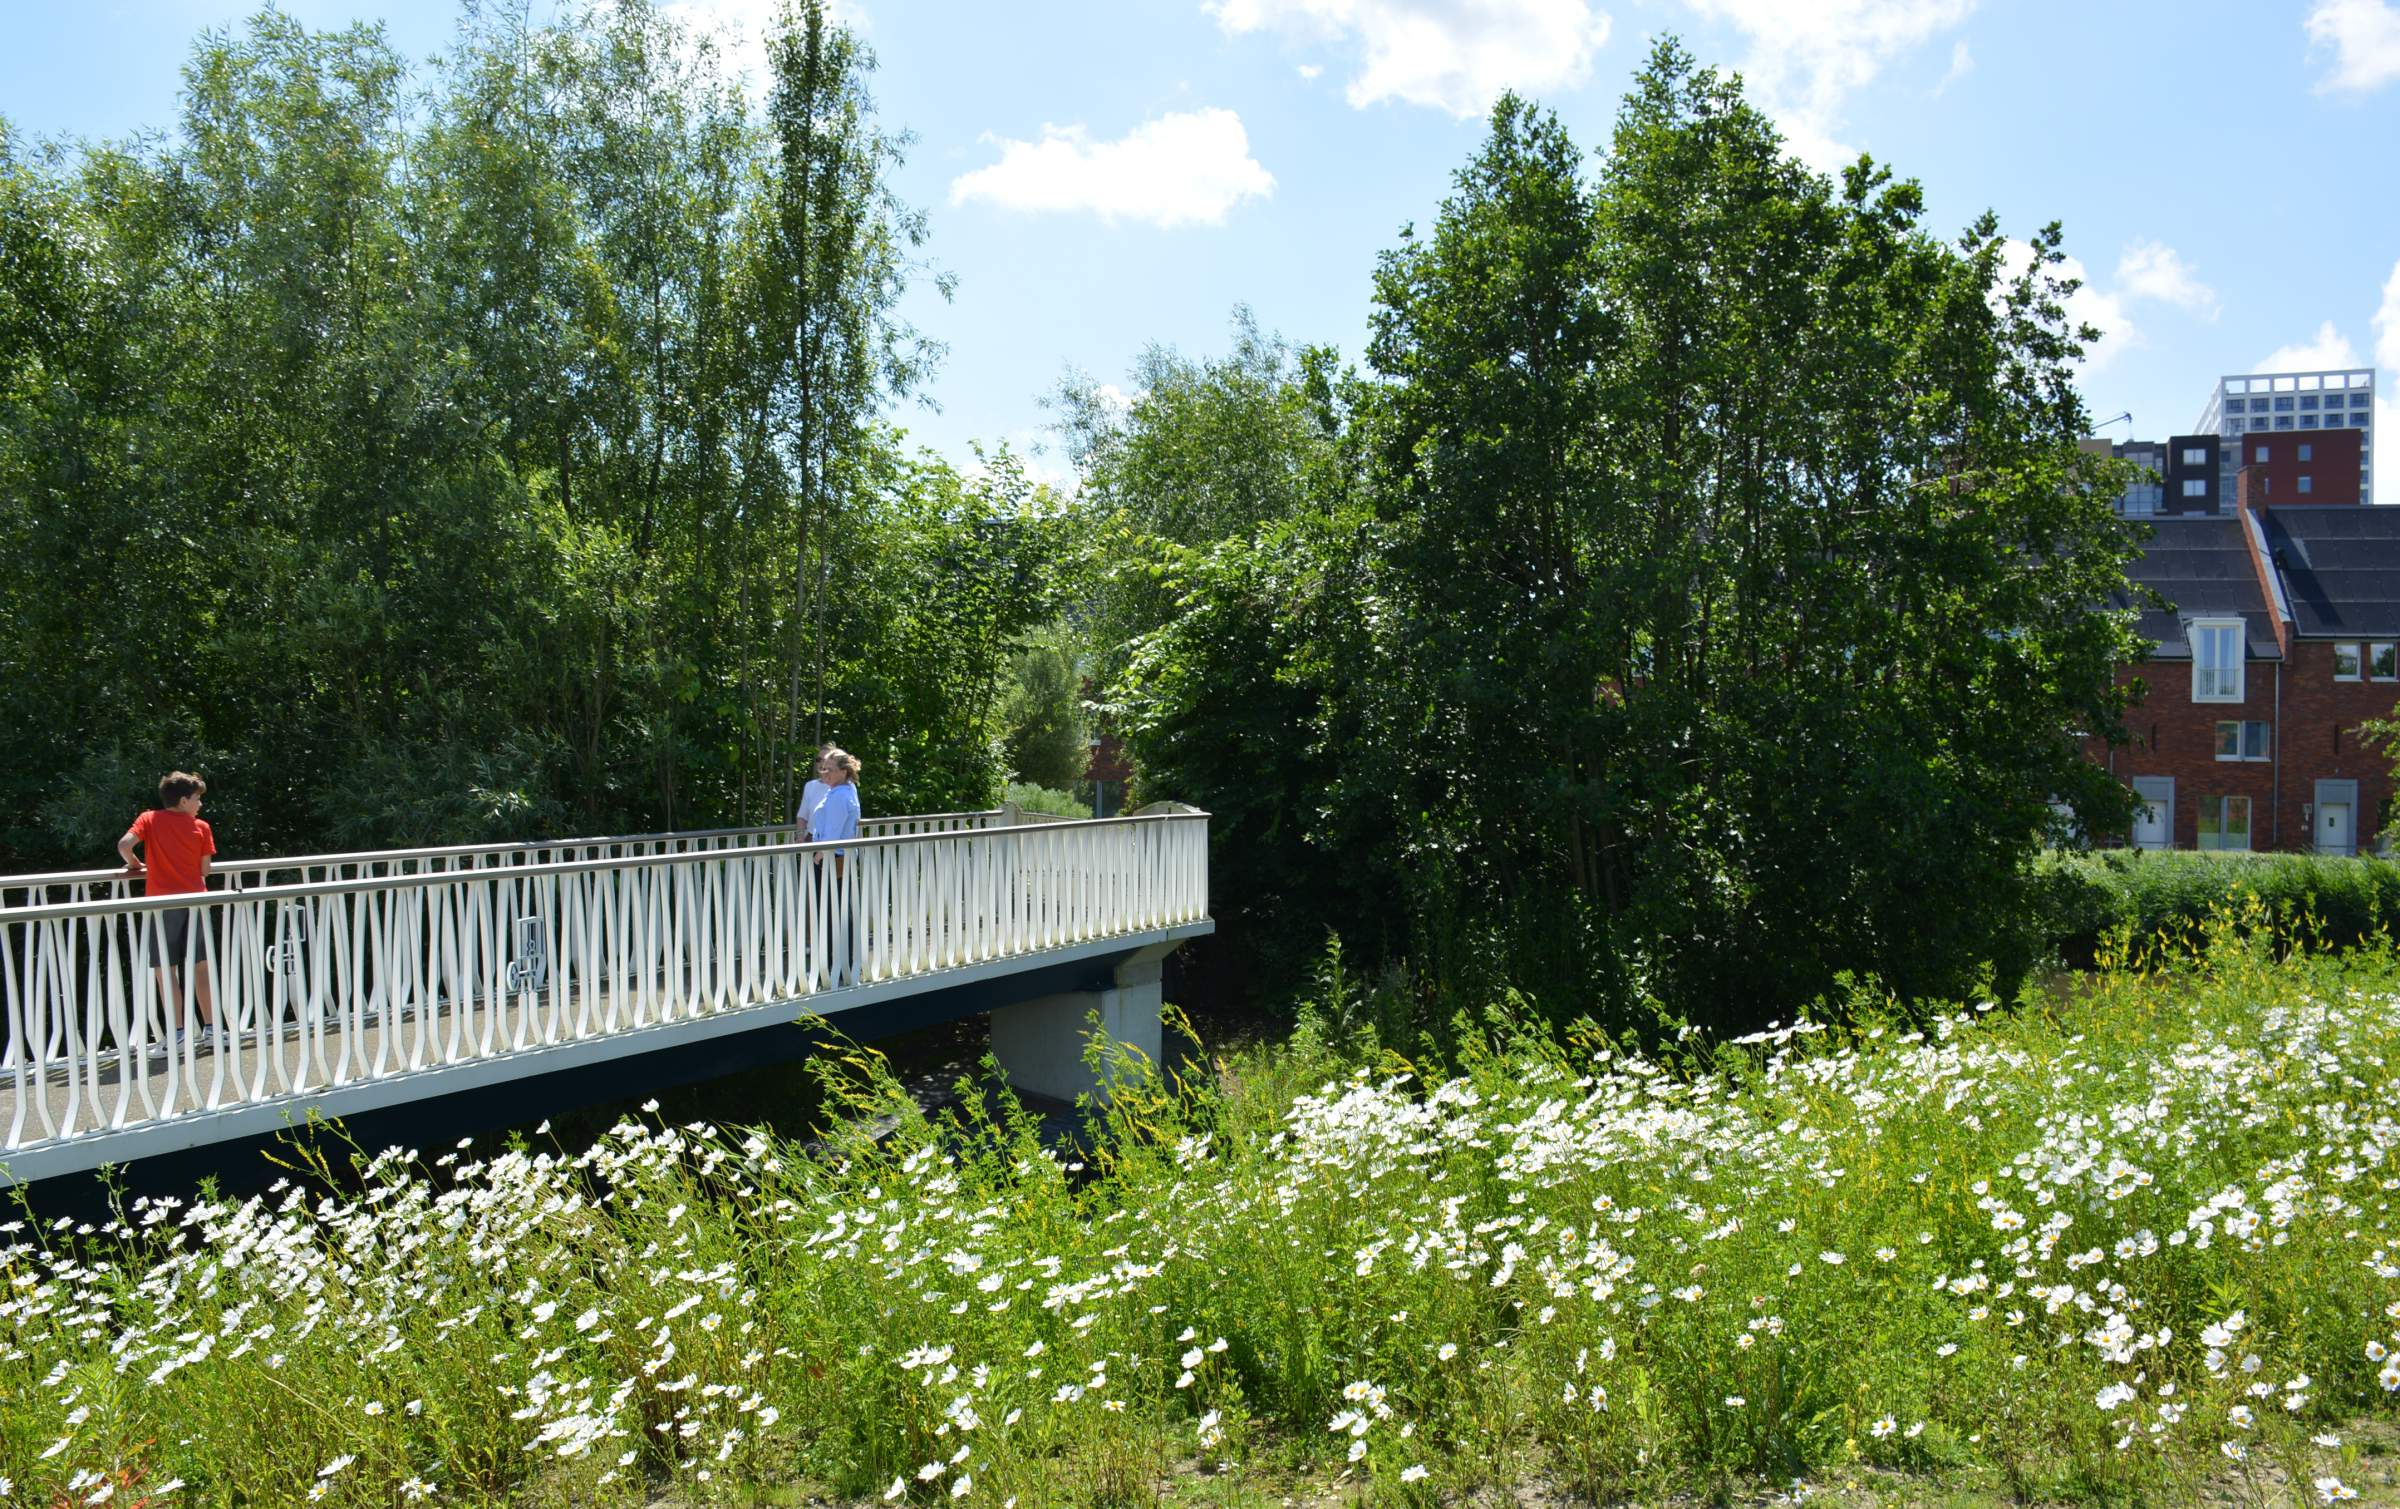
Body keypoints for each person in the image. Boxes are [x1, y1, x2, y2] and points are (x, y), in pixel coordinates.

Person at [117, 771, 219, 1049]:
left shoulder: (149, 819)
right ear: (185, 800)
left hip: (162, 904)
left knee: (165, 970)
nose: (200, 805)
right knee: (201, 967)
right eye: (197, 799)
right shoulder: (202, 827)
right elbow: (205, 870)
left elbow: (124, 844)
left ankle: (177, 1034)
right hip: (195, 902)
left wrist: (135, 864)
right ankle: (211, 1030)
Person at [795, 745, 837, 839]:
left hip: (835, 840)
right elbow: (802, 816)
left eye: (825, 759)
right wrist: (800, 837)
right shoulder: (810, 786)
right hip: (812, 838)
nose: (822, 763)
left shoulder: (844, 786)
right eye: (819, 760)